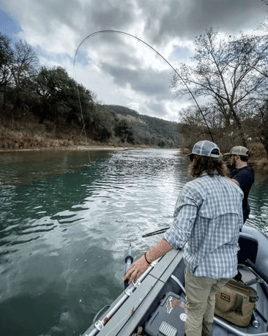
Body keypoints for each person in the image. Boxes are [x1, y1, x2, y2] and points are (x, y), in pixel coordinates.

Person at [124, 140, 244, 336]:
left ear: (195, 161)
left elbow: (178, 236)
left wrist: (146, 259)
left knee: (194, 312)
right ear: (218, 163)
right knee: (210, 299)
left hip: (203, 269)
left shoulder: (193, 189)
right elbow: (237, 226)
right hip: (227, 268)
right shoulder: (235, 189)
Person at [225, 146, 255, 223]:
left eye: (230, 156)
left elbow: (230, 184)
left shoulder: (247, 172)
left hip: (239, 211)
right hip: (232, 209)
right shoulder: (234, 169)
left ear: (236, 157)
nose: (229, 159)